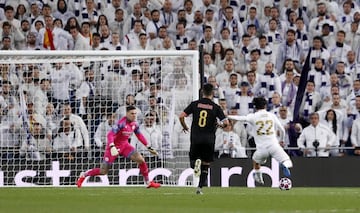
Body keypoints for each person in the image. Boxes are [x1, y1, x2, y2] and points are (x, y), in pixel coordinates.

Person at [76, 105, 161, 188]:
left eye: (135, 113)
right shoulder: (121, 123)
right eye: (132, 113)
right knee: (103, 171)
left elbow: (139, 135)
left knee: (141, 160)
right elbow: (110, 135)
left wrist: (148, 146)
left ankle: (148, 182)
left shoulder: (134, 123)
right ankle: (84, 175)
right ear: (127, 113)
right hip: (113, 147)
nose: (134, 115)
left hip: (125, 146)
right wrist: (112, 146)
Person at [228, 97, 293, 185]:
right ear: (265, 105)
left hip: (262, 149)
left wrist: (227, 116)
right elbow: (282, 130)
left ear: (255, 106)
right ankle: (284, 165)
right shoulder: (271, 115)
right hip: (274, 145)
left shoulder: (253, 116)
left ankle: (259, 178)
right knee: (288, 162)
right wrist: (281, 140)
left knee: (255, 160)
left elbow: (240, 118)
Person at [179, 83, 228, 195]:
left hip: (196, 137)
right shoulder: (216, 107)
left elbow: (181, 116)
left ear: (202, 92)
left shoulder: (195, 104)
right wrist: (219, 125)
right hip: (209, 139)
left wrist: (184, 126)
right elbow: (226, 123)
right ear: (213, 93)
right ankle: (199, 188)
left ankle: (196, 163)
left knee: (193, 161)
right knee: (206, 164)